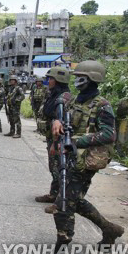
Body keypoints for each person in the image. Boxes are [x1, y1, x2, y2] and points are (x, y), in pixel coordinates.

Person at [39, 61, 124, 254]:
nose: (76, 80)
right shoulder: (75, 99)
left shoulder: (102, 105)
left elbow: (109, 134)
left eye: (81, 77)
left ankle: (60, 252)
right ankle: (109, 229)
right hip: (69, 157)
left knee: (64, 203)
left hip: (85, 161)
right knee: (74, 200)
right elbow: (62, 114)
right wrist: (56, 123)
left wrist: (77, 140)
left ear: (92, 79)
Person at [35, 67, 72, 208]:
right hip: (52, 137)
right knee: (54, 167)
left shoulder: (64, 98)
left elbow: (61, 122)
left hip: (59, 139)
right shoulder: (54, 95)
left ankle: (60, 201)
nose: (48, 81)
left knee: (60, 169)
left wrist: (55, 143)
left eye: (50, 79)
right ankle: (54, 194)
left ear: (58, 81)